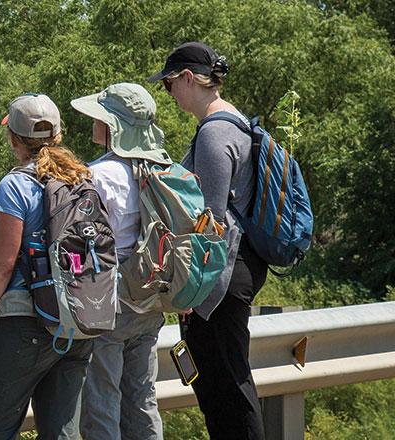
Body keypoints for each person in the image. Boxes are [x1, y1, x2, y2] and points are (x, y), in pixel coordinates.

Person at [0, 93, 94, 440]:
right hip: (77, 324)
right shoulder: (82, 179)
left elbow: (3, 265)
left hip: (24, 326)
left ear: (13, 139)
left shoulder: (15, 185)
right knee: (62, 433)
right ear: (58, 135)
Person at [149, 41, 267, 440]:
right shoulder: (235, 123)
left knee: (226, 392)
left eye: (168, 85)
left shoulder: (215, 134)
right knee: (227, 385)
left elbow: (210, 225)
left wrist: (192, 295)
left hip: (221, 278)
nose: (169, 94)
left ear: (187, 78)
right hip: (239, 267)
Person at [70, 83, 170, 440]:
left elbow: (80, 240)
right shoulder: (160, 167)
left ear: (113, 125)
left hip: (109, 301)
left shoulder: (99, 175)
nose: (92, 122)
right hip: (152, 296)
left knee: (102, 403)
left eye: (99, 116)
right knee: (143, 399)